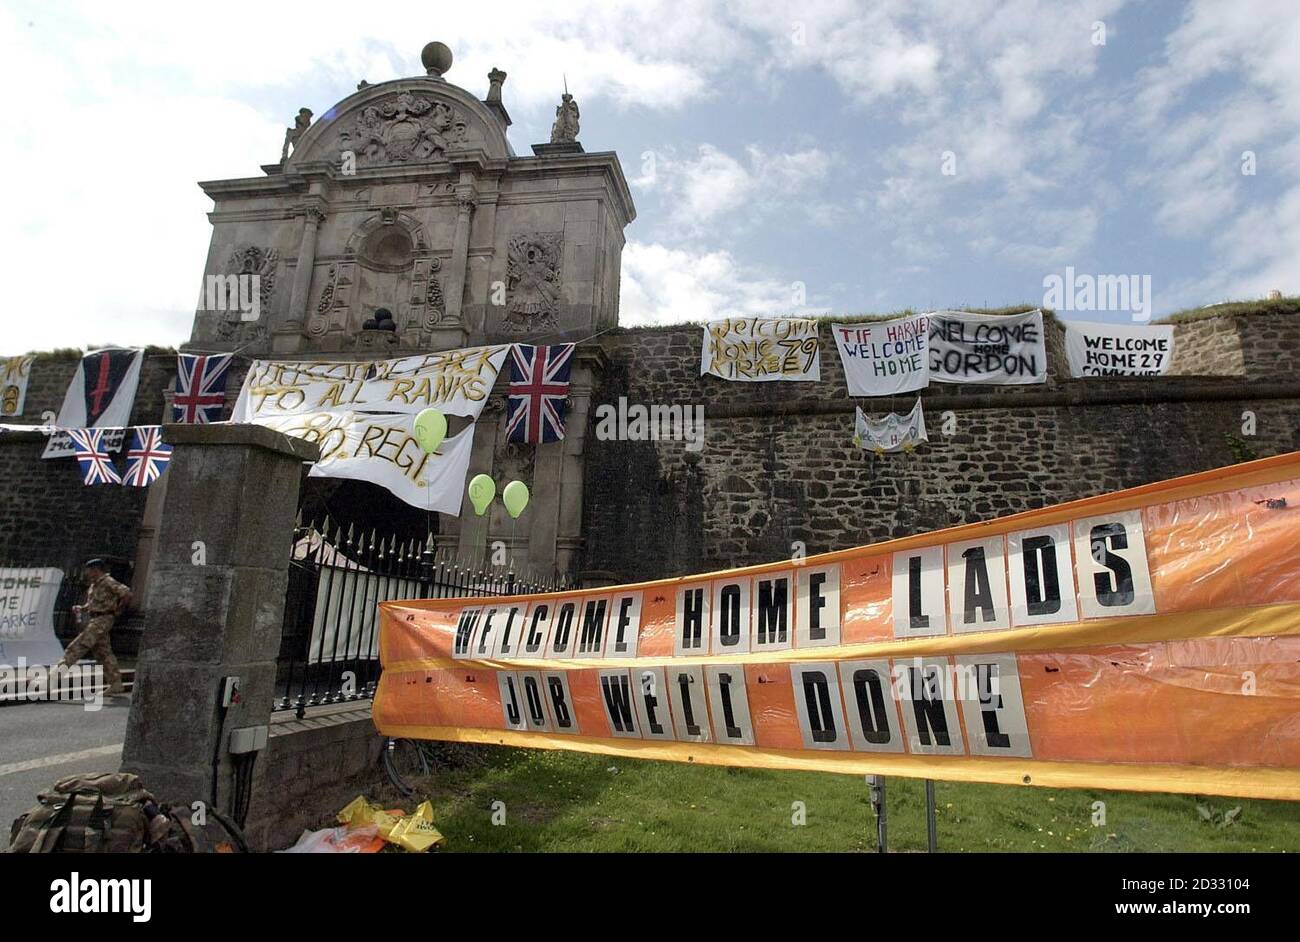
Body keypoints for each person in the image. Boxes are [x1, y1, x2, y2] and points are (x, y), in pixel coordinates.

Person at [62, 559, 132, 697]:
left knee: (77, 646)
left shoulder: (108, 581)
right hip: (97, 618)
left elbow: (127, 593)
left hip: (103, 620)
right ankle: (115, 683)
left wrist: (118, 611)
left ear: (95, 569)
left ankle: (52, 678)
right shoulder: (95, 585)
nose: (86, 573)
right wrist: (82, 608)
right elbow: (93, 603)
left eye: (88, 569)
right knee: (103, 653)